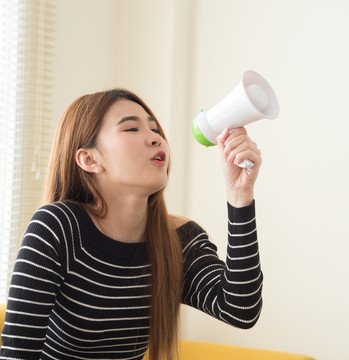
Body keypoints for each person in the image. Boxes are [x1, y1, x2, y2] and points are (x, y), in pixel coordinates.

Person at [0, 89, 263, 360]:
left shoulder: (180, 240)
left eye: (154, 128)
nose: (155, 138)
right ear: (90, 159)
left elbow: (240, 309)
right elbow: (17, 353)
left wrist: (240, 194)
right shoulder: (57, 228)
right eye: (131, 128)